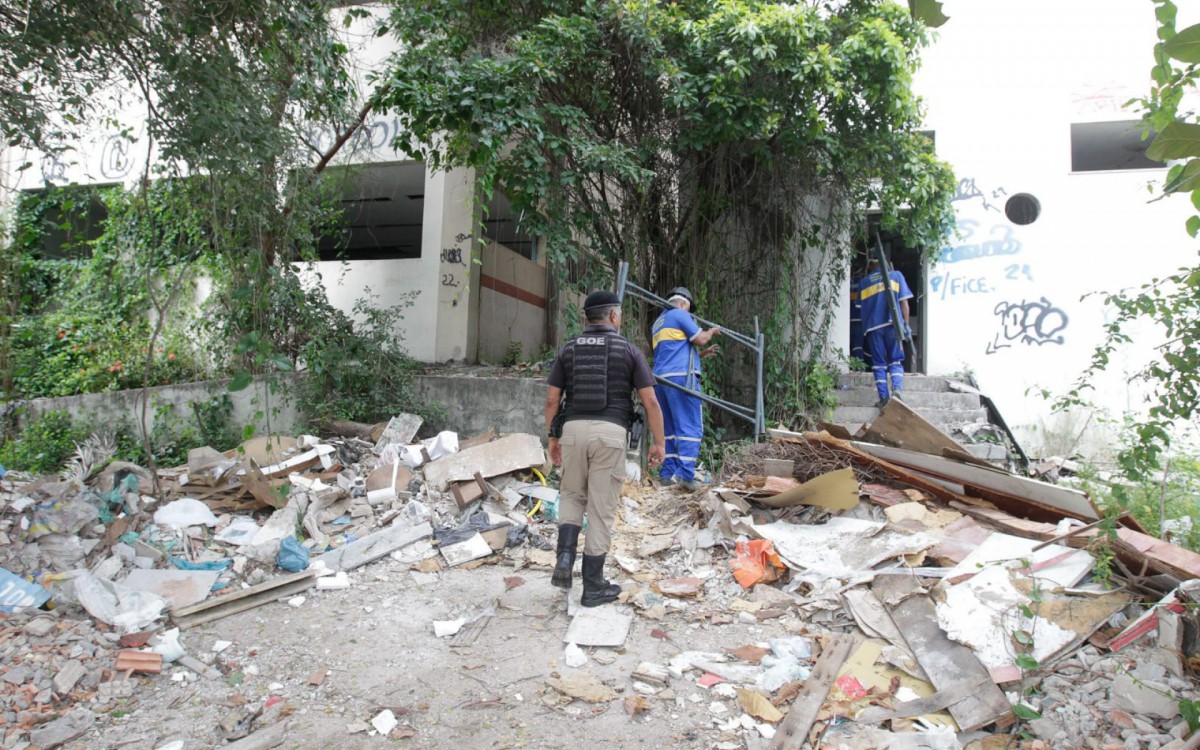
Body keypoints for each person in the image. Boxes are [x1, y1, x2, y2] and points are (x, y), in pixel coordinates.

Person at [544, 291, 666, 607]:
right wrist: (659, 442)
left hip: (572, 431)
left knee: (572, 495)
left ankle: (564, 557)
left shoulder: (568, 349)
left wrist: (552, 437)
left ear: (586, 318)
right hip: (611, 435)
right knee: (600, 508)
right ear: (613, 316)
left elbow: (552, 399)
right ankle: (593, 586)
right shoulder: (629, 351)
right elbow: (651, 402)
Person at [650, 287, 720, 491]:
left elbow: (674, 350)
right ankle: (686, 474)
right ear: (682, 304)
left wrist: (701, 355)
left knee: (669, 429)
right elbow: (701, 338)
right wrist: (711, 331)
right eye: (689, 308)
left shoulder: (659, 322)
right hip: (682, 379)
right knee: (690, 426)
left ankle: (667, 473)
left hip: (661, 380)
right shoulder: (680, 314)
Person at [857, 256, 913, 408]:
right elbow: (904, 303)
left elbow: (860, 308)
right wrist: (906, 325)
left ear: (869, 267)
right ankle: (897, 389)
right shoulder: (896, 276)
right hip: (893, 324)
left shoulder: (864, 282)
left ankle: (883, 397)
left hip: (873, 329)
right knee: (895, 360)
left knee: (879, 364)